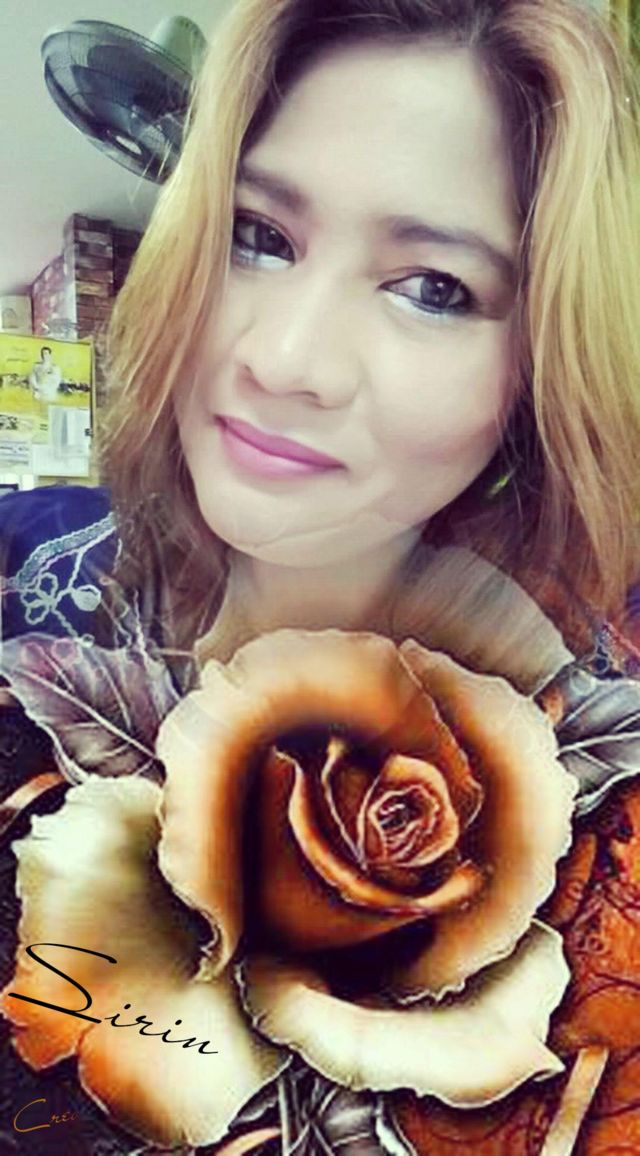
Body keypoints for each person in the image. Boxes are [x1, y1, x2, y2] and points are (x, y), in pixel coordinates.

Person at [1, 1, 639, 1154]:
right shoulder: (28, 591)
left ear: (539, 370)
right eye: (256, 234)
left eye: (431, 287)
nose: (283, 359)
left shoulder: (603, 807)